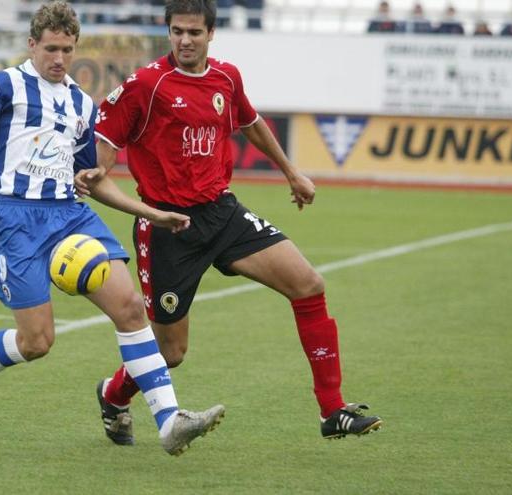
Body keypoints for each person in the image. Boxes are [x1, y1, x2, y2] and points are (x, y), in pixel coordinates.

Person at [0, 0, 224, 456]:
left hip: (69, 214)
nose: (59, 59)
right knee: (37, 342)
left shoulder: (79, 102)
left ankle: (169, 421)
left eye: (68, 50)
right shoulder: (1, 86)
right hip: (13, 218)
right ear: (32, 44)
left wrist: (150, 213)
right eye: (51, 48)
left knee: (132, 307)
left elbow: (90, 180)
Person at [75, 0, 382, 444]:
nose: (185, 40)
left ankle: (332, 409)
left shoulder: (226, 77)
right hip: (168, 227)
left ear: (211, 34)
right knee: (171, 352)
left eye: (194, 32)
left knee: (309, 284)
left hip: (222, 212)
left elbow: (252, 123)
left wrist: (292, 173)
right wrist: (110, 183)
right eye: (177, 31)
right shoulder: (146, 85)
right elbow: (102, 160)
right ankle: (114, 394)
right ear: (169, 32)